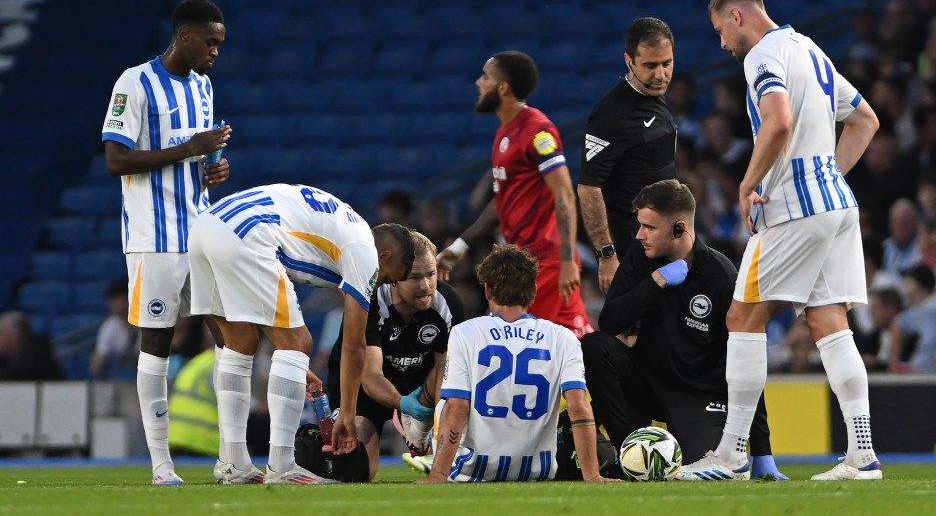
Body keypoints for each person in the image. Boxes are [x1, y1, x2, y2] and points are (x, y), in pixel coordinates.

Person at [678, 0, 882, 481]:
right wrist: (826, 175)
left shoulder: (762, 56)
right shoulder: (811, 49)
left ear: (737, 16)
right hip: (836, 205)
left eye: (720, 30)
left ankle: (730, 455)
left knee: (742, 318)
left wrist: (748, 182)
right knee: (828, 323)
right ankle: (863, 454)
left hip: (792, 211)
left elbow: (778, 121)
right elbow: (865, 121)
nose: (722, 44)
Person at [188, 183, 415, 485]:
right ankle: (282, 466)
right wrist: (346, 413)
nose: (382, 284)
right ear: (384, 255)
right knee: (300, 342)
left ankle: (232, 463)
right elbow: (354, 345)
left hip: (207, 225)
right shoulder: (366, 253)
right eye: (388, 277)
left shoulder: (347, 228)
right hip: (248, 232)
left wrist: (293, 367)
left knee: (239, 344)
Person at [100, 0, 230, 486]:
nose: (216, 52)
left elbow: (195, 164)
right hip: (154, 236)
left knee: (229, 337)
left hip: (201, 229)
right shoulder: (134, 83)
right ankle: (161, 465)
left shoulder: (204, 87)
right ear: (184, 37)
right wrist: (190, 150)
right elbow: (116, 160)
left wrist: (210, 169)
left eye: (220, 43)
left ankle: (232, 459)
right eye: (210, 42)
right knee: (156, 343)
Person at [581, 179, 785, 480]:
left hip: (697, 394)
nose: (639, 235)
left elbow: (746, 360)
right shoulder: (641, 257)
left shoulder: (721, 276)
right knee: (595, 346)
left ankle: (718, 452)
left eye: (649, 227)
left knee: (702, 467)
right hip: (647, 381)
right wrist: (656, 281)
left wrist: (763, 451)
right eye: (640, 225)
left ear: (679, 228)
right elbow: (610, 322)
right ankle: (630, 453)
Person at [420, 245, 615, 483]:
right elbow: (579, 407)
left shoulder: (465, 333)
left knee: (447, 401)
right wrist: (593, 476)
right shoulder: (563, 337)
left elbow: (457, 408)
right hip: (537, 472)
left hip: (473, 471)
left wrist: (438, 476)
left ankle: (430, 455)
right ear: (533, 291)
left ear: (487, 290)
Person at [437, 51, 590, 338]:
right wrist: (459, 247)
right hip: (525, 263)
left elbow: (565, 195)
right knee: (573, 339)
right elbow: (501, 202)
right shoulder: (503, 134)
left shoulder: (538, 131)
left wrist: (568, 261)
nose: (477, 82)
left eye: (485, 76)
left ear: (503, 87)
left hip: (545, 263)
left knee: (514, 343)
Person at [324, 231, 465, 480]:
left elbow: (448, 370)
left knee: (451, 365)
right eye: (415, 277)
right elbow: (369, 376)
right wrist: (403, 404)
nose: (426, 286)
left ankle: (420, 431)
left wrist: (430, 418)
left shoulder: (448, 303)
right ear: (395, 278)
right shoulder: (369, 301)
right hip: (360, 390)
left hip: (418, 388)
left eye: (431, 274)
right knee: (357, 473)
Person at [577, 18, 678, 295]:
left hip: (667, 239)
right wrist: (607, 255)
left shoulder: (656, 94)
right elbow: (588, 186)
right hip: (634, 248)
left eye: (666, 63)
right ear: (629, 61)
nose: (660, 74)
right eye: (650, 66)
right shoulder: (610, 115)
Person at [89, 279, 139, 379]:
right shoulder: (110, 326)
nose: (111, 304)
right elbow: (96, 365)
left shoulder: (150, 323)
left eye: (116, 299)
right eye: (110, 300)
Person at [0, 310, 63, 381]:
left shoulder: (37, 353)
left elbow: (16, 375)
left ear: (14, 336)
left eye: (1, 332)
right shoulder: (5, 357)